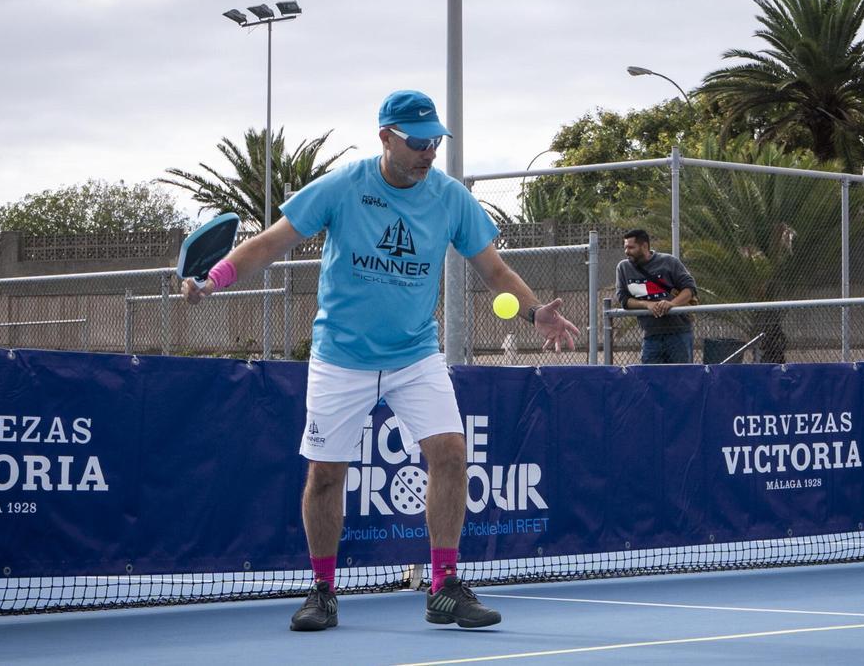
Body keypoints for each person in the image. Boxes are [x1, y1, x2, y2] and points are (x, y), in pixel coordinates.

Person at [182, 90, 580, 632]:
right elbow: (272, 242)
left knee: (451, 454)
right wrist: (213, 280)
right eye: (417, 142)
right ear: (385, 138)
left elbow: (494, 271)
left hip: (415, 353)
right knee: (325, 476)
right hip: (340, 356)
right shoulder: (343, 187)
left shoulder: (450, 197)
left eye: (435, 142)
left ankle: (443, 587)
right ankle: (322, 589)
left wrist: (536, 314)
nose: (428, 152)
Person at [615, 229, 698, 363]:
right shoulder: (623, 268)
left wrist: (672, 304)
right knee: (650, 378)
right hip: (651, 334)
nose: (627, 251)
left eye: (631, 247)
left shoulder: (669, 262)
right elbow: (623, 299)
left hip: (678, 332)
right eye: (625, 247)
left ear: (644, 246)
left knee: (682, 377)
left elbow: (690, 289)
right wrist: (647, 305)